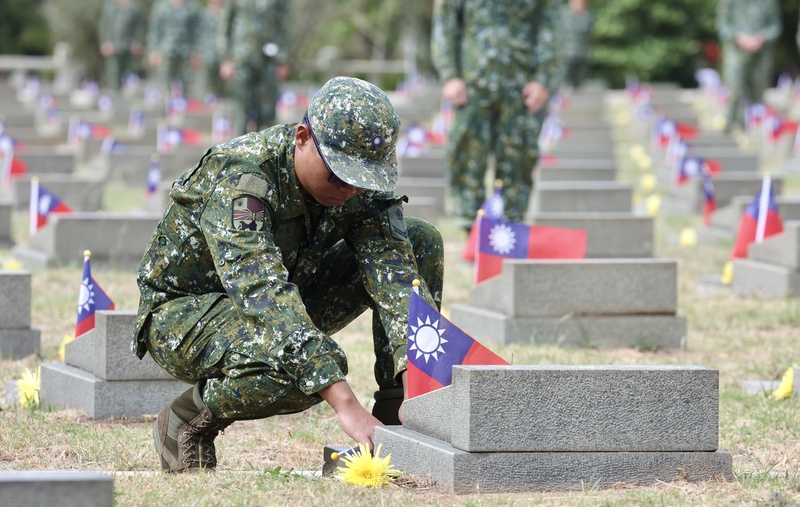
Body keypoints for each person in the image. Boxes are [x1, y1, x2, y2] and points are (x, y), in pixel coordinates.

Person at [132, 76, 444, 473]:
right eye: (338, 175)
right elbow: (262, 294)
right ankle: (184, 419)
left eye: (363, 180)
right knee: (304, 370)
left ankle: (395, 412)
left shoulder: (358, 184)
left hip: (288, 291)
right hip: (185, 315)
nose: (350, 189)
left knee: (418, 240)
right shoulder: (242, 176)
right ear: (302, 137)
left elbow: (396, 274)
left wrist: (420, 378)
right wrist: (346, 404)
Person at [431, 0, 560, 233]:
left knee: (518, 160)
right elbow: (445, 24)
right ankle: (470, 232)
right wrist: (450, 74)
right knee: (466, 156)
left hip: (521, 89)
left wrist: (543, 79)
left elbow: (548, 26)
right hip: (471, 87)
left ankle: (509, 234)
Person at [219, 0, 291, 135]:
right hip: (242, 58)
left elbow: (283, 25)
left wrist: (283, 59)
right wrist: (226, 59)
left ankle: (265, 153)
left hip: (269, 61)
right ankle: (238, 152)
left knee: (267, 111)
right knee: (241, 111)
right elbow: (226, 24)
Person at [716, 0, 781, 133]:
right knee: (735, 88)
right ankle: (731, 123)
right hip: (736, 53)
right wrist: (739, 37)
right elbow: (722, 26)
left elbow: (775, 27)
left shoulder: (769, 2)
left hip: (761, 54)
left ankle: (756, 127)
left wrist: (761, 38)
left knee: (758, 90)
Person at [146, 0, 201, 95]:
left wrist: (196, 52)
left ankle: (185, 106)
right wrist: (153, 51)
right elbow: (155, 30)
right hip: (165, 52)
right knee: (164, 84)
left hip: (186, 53)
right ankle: (165, 106)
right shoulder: (161, 6)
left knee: (187, 85)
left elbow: (197, 32)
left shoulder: (192, 7)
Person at [99, 0, 146, 90]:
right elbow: (104, 26)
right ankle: (116, 99)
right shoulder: (109, 7)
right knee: (114, 77)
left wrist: (139, 42)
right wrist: (105, 42)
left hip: (131, 49)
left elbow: (140, 27)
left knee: (132, 79)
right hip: (113, 48)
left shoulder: (136, 7)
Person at [559, 0, 593, 90]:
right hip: (565, 56)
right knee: (563, 86)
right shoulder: (562, 13)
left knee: (578, 86)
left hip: (582, 55)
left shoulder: (588, 15)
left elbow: (587, 35)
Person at [198, 0, 226, 100]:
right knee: (207, 88)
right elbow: (198, 35)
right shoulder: (203, 14)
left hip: (223, 56)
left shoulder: (227, 12)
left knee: (224, 88)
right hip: (207, 55)